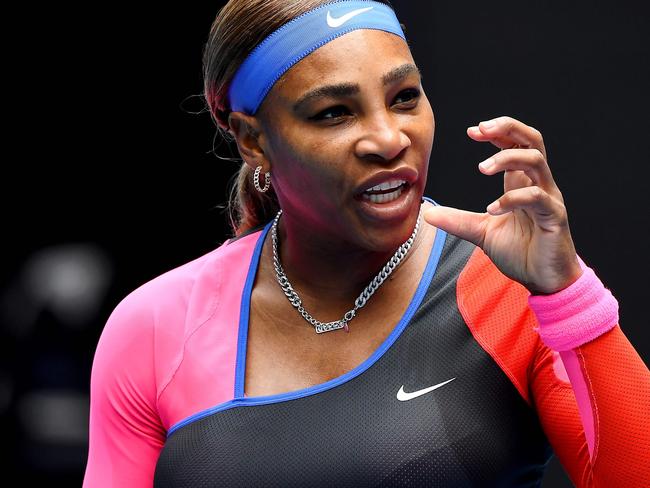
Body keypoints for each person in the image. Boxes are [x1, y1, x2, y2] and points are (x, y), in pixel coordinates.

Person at [83, 1, 650, 486]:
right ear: (252, 140)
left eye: (404, 97)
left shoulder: (510, 290)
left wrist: (567, 292)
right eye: (334, 113)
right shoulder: (155, 327)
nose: (387, 138)